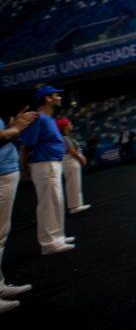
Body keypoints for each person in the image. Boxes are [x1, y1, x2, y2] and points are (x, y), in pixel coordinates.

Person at [19, 85, 75, 254]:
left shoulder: (48, 119)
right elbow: (26, 144)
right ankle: (50, 243)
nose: (59, 97)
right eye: (56, 95)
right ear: (47, 98)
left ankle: (58, 236)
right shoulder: (39, 118)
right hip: (44, 164)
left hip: (52, 164)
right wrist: (24, 167)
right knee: (49, 203)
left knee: (56, 201)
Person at [1, 106, 38, 313]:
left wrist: (11, 126)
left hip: (6, 171)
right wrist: (15, 129)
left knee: (1, 235)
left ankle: (0, 286)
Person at [56, 118, 90, 214]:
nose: (71, 124)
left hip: (71, 159)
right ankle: (75, 206)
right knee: (73, 182)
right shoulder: (63, 137)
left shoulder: (66, 136)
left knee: (75, 182)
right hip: (69, 159)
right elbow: (70, 150)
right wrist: (80, 157)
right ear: (65, 126)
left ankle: (77, 204)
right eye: (69, 123)